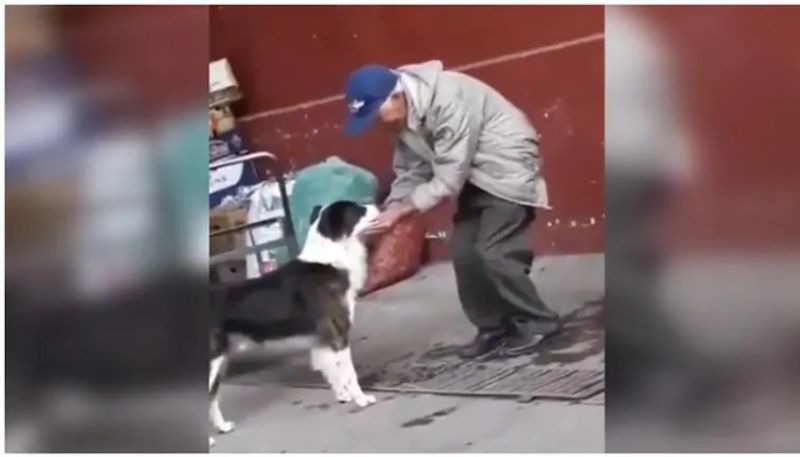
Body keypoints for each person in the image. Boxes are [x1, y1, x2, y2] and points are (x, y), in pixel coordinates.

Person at [343, 60, 561, 358]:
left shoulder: (447, 99)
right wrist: (390, 212)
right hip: (472, 172)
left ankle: (539, 322)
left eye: (373, 114)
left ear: (395, 96)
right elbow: (410, 172)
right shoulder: (401, 118)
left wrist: (403, 211)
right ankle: (493, 327)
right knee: (463, 250)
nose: (374, 124)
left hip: (507, 164)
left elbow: (448, 179)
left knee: (493, 250)